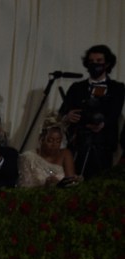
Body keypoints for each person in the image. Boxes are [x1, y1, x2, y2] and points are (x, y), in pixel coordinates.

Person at [59, 44, 125, 178]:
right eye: (91, 61)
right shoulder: (77, 87)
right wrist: (68, 116)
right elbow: (63, 112)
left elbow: (114, 113)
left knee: (100, 184)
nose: (95, 64)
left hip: (104, 144)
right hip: (78, 143)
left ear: (107, 63)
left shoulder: (117, 88)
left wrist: (102, 124)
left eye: (99, 61)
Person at [18, 119, 78, 187]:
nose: (54, 145)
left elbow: (70, 184)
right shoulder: (28, 157)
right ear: (41, 140)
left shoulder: (65, 154)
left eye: (58, 141)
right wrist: (46, 185)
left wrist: (59, 184)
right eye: (50, 141)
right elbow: (24, 187)